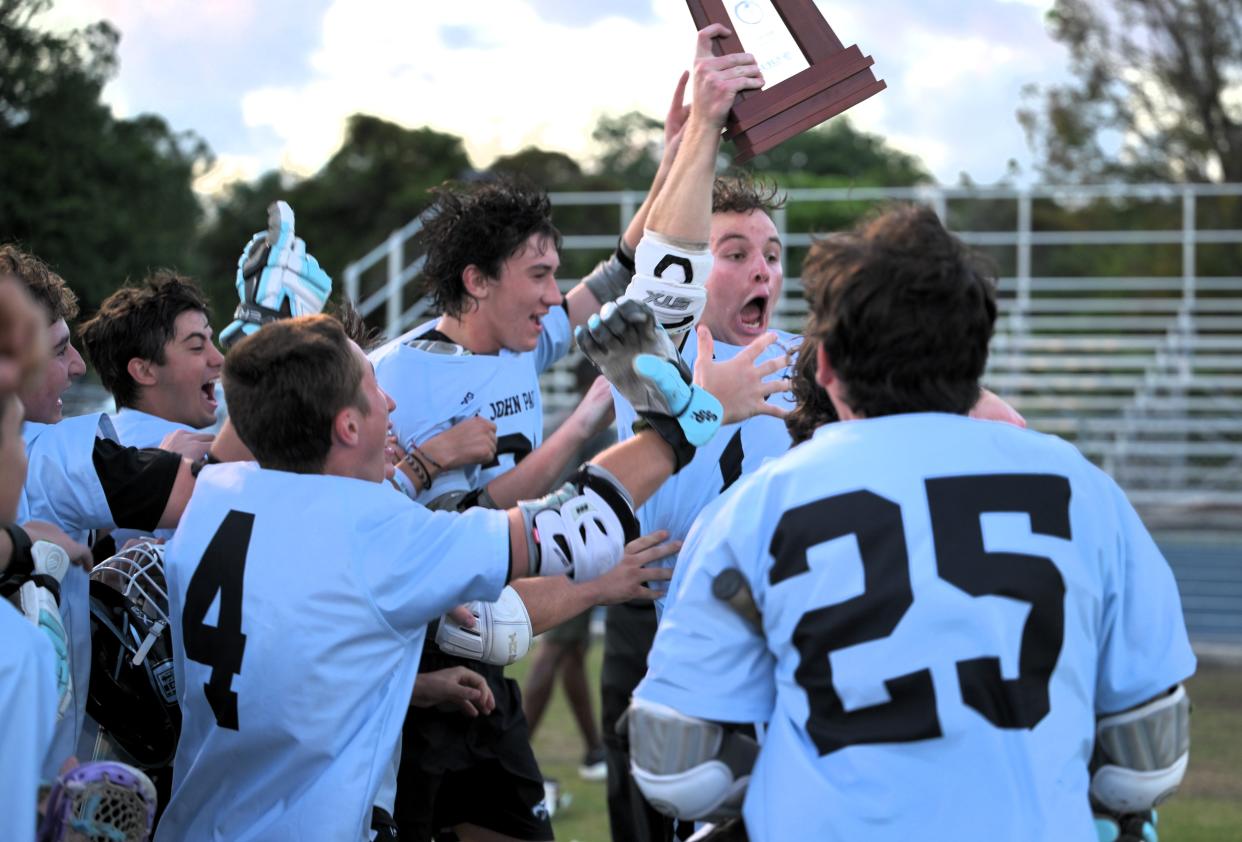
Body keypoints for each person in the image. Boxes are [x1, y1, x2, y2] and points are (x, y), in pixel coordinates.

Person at [154, 248, 784, 842]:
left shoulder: (215, 494)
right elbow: (574, 524)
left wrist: (273, 327)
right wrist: (694, 419)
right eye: (372, 387)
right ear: (347, 426)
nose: (390, 398)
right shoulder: (376, 534)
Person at [628, 197, 1196, 840]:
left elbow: (675, 766)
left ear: (829, 371)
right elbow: (1145, 762)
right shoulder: (1084, 492)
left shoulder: (754, 509)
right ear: (975, 361)